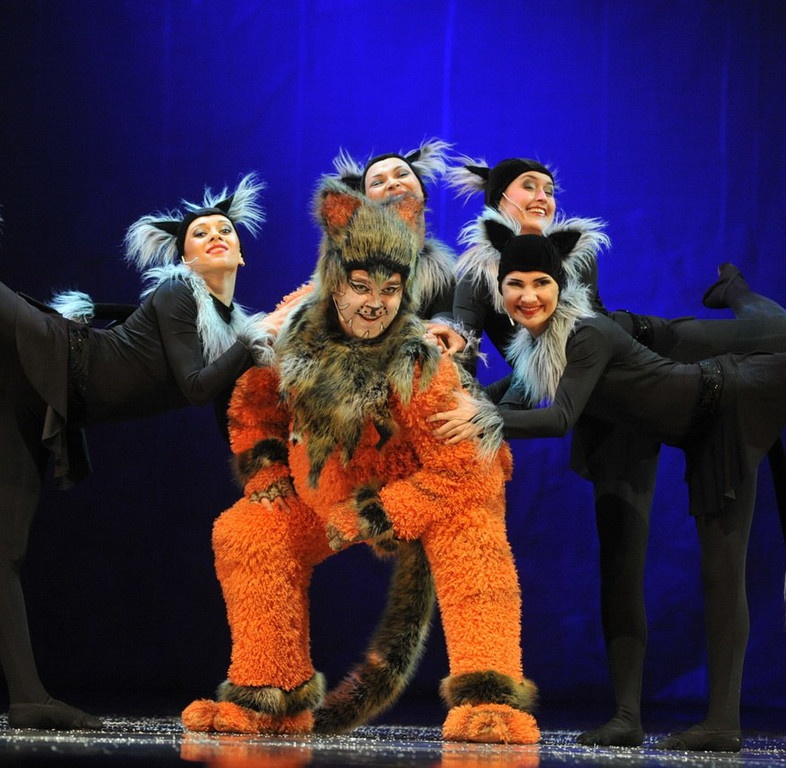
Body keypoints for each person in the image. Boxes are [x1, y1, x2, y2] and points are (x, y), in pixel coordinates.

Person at [431, 210, 786, 751]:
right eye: (516, 284)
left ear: (561, 286)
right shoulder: (535, 350)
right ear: (499, 289)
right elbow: (507, 399)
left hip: (738, 393)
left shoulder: (587, 333)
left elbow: (559, 419)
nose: (529, 295)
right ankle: (721, 726)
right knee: (721, 574)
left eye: (541, 283)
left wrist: (482, 417)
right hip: (705, 438)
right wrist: (445, 403)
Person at [0, 121, 279, 730]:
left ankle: (27, 698)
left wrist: (265, 473)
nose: (214, 236)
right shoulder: (180, 297)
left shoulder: (227, 331)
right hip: (51, 350)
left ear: (241, 253)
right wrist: (255, 342)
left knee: (2, 552)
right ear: (184, 258)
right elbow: (194, 386)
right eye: (200, 233)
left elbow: (223, 411)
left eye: (224, 231)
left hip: (42, 399)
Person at [180, 178, 541, 744]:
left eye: (391, 290)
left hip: (431, 490)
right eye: (360, 286)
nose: (375, 303)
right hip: (330, 488)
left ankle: (491, 700)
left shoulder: (420, 362)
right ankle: (270, 696)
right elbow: (252, 402)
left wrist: (378, 513)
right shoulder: (294, 330)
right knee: (248, 530)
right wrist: (268, 470)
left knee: (473, 531)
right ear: (334, 282)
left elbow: (464, 471)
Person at [332, 138, 465, 355]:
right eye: (377, 182)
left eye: (402, 174)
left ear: (422, 192)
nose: (393, 183)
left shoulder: (441, 274)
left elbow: (446, 320)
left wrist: (441, 335)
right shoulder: (348, 262)